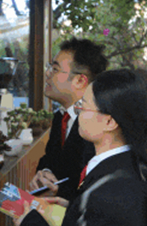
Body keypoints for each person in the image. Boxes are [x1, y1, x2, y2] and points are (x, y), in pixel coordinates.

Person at [16, 69, 147, 226]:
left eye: (83, 105)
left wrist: (28, 222)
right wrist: (75, 211)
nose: (78, 111)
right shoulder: (128, 169)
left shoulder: (108, 193)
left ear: (109, 121)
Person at [29, 38, 108, 199]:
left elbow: (93, 186)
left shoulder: (97, 124)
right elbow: (50, 158)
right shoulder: (61, 115)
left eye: (55, 69)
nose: (47, 73)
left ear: (80, 80)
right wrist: (45, 173)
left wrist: (59, 191)